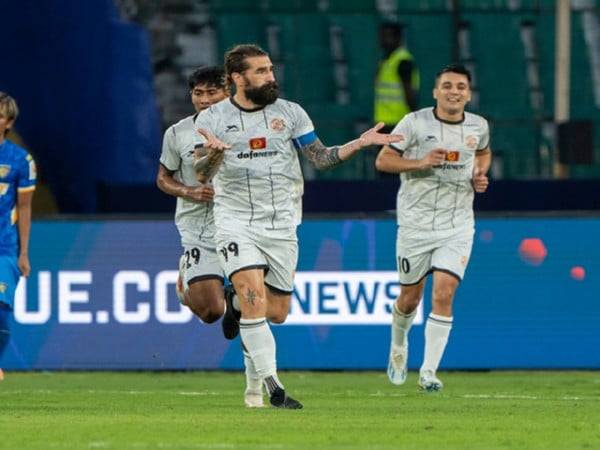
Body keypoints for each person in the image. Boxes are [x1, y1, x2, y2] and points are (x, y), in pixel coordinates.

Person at [193, 44, 401, 409]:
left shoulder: (290, 114)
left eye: (270, 69)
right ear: (238, 79)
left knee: (275, 312)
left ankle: (235, 304)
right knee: (254, 299)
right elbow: (201, 173)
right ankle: (268, 389)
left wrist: (358, 144)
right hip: (235, 221)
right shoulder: (210, 120)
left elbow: (319, 158)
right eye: (260, 71)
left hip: (282, 223)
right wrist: (214, 154)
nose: (271, 77)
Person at [375, 64, 491, 391]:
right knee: (410, 299)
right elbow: (383, 161)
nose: (454, 92)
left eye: (461, 87)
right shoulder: (415, 123)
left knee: (444, 293)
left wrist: (479, 174)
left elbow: (483, 153)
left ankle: (428, 372)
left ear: (468, 94)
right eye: (448, 86)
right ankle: (399, 345)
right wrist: (421, 163)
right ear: (436, 92)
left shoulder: (478, 126)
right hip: (415, 224)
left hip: (458, 224)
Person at [0, 92, 36, 381]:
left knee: (0, 309)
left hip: (4, 247)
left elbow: (24, 208)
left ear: (8, 122)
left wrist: (24, 253)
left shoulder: (20, 159)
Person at [374, 22, 420, 133]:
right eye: (382, 36)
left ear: (398, 38)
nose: (383, 40)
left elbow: (409, 93)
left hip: (398, 123)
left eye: (388, 36)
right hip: (384, 122)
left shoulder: (402, 61)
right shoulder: (386, 60)